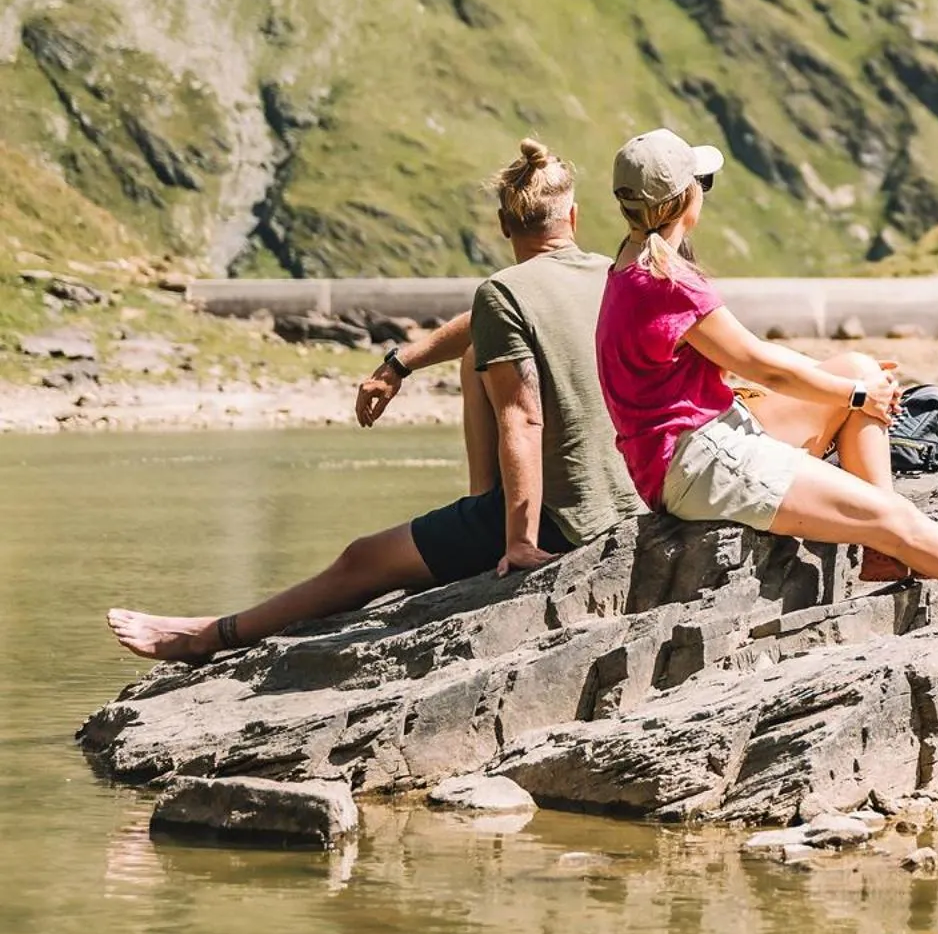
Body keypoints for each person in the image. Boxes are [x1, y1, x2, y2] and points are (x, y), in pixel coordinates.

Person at [107, 139, 644, 661]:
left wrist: (520, 542)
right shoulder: (612, 271)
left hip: (560, 518)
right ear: (572, 218)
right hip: (625, 495)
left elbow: (523, 419)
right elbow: (487, 324)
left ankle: (211, 635)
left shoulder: (503, 292)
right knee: (477, 352)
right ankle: (482, 506)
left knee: (361, 559)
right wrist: (401, 363)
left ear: (504, 225)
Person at [593, 127, 938, 611]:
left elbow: (747, 363)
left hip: (697, 440)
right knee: (894, 511)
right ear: (685, 199)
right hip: (699, 460)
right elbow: (763, 365)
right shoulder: (668, 282)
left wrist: (851, 383)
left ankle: (883, 551)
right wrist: (855, 398)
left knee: (857, 366)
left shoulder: (630, 264)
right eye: (702, 185)